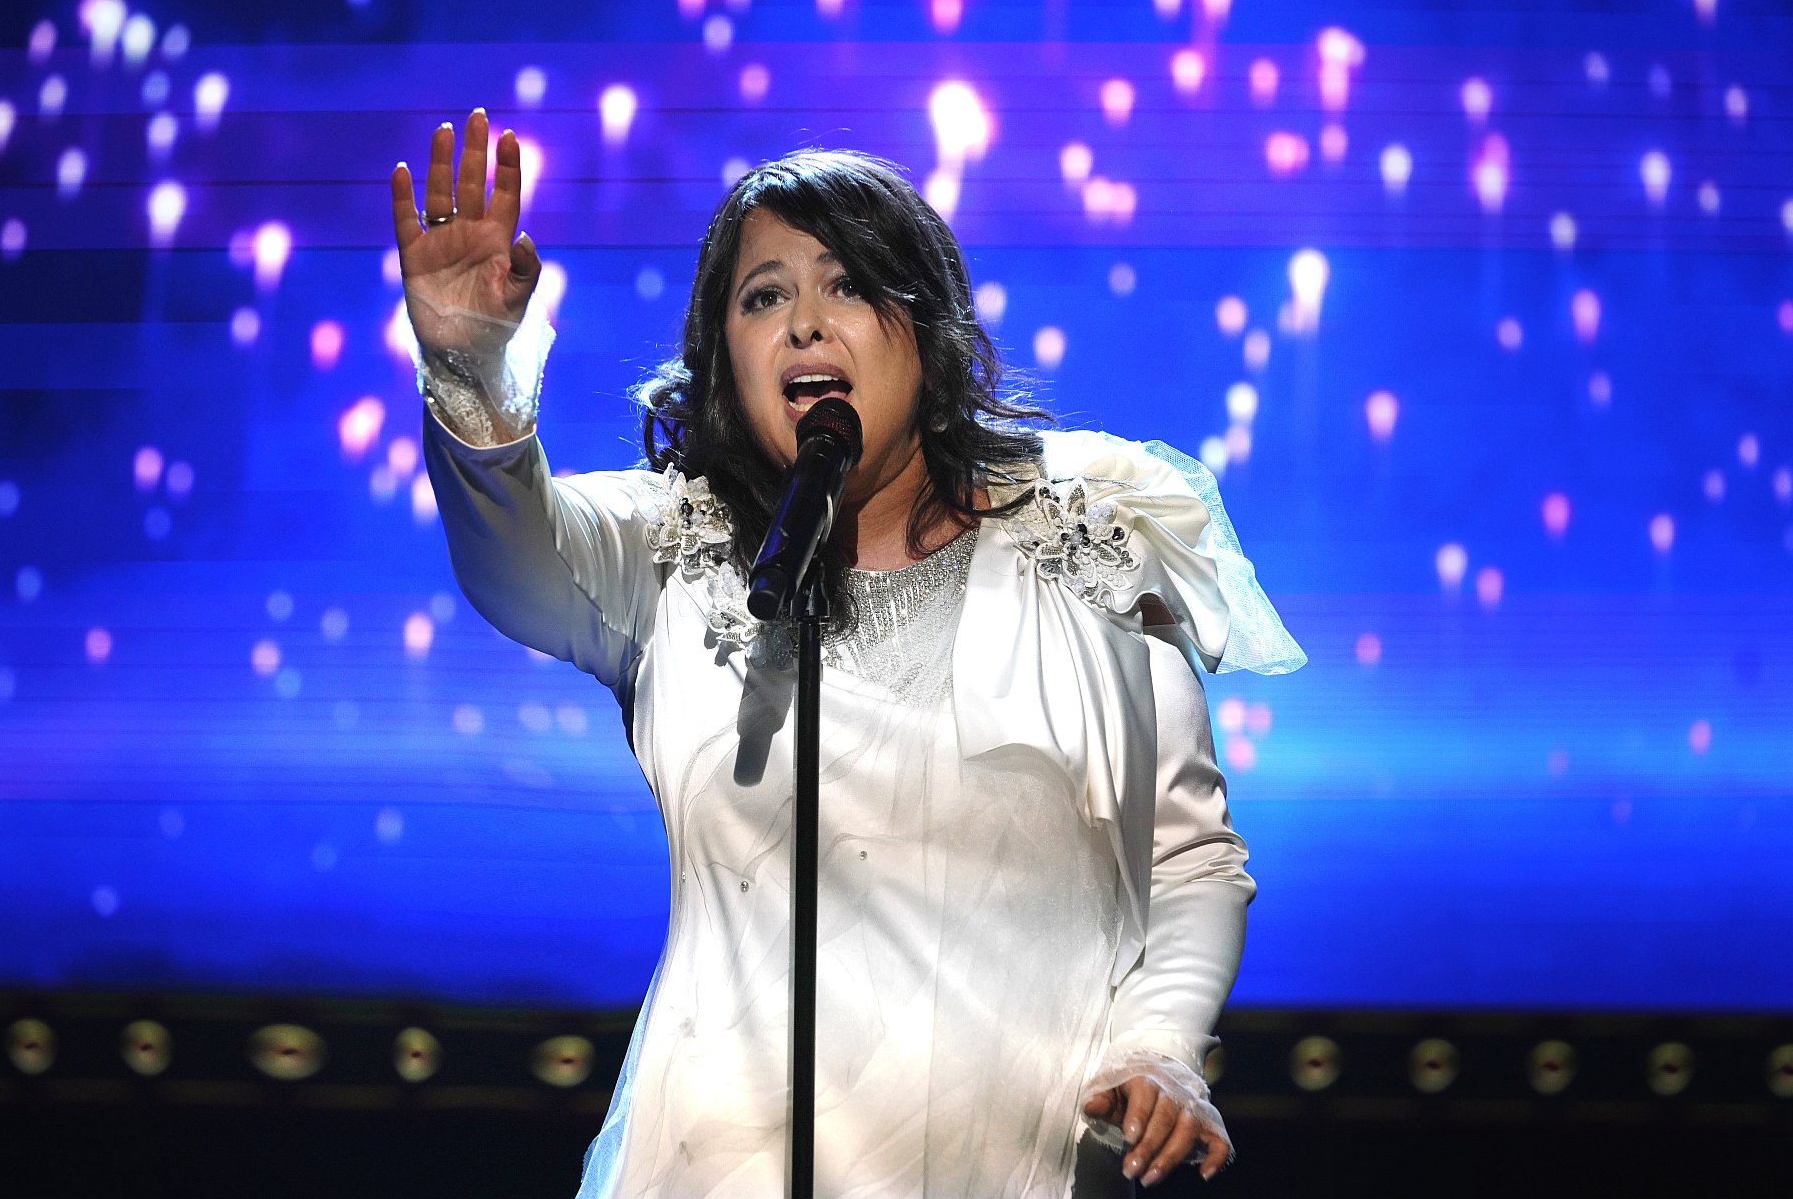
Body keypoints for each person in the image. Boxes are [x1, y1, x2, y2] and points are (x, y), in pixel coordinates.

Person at [390, 110, 1305, 1198]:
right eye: (762, 296)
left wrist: (1160, 1044)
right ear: (725, 358)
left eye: (848, 286)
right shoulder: (671, 551)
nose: (804, 326)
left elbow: (1190, 862)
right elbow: (515, 562)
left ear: (927, 325)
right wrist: (470, 371)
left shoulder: (1091, 538)